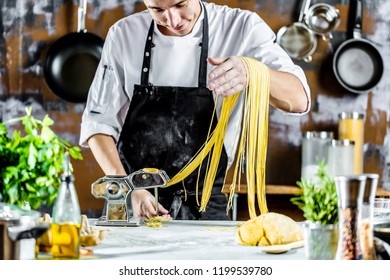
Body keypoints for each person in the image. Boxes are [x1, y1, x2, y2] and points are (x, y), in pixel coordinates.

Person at [80, 0, 311, 220]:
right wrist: (126, 189)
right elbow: (98, 124)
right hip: (134, 203)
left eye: (180, 5)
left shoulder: (241, 28)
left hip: (206, 205)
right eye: (157, 10)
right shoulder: (124, 34)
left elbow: (299, 99)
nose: (172, 19)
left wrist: (253, 71)